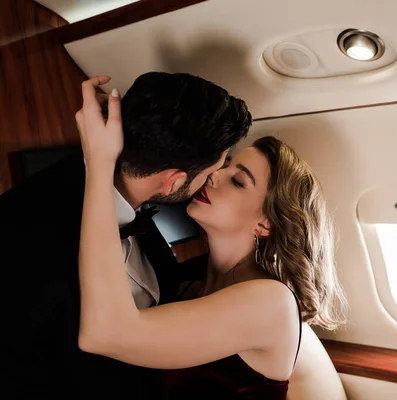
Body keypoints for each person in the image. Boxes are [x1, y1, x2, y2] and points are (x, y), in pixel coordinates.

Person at [76, 76, 347, 399]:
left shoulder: (270, 303)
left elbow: (104, 334)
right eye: (226, 165)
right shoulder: (190, 280)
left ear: (265, 225)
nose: (215, 174)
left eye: (238, 181)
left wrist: (100, 161)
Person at [0, 73, 251, 399]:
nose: (212, 180)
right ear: (173, 182)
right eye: (208, 173)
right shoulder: (30, 249)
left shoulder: (134, 209)